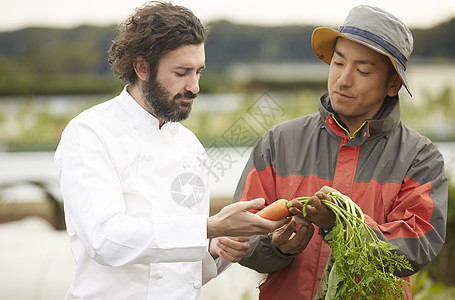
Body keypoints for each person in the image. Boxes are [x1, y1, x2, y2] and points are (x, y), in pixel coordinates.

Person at [54, 2, 287, 299]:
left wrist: (215, 248)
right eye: (181, 72)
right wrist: (209, 227)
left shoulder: (190, 147)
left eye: (199, 71)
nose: (195, 87)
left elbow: (183, 272)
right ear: (142, 68)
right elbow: (105, 240)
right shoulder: (89, 133)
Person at [234, 5, 448, 299]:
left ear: (393, 83)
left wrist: (342, 226)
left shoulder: (419, 157)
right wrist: (276, 246)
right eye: (338, 63)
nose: (343, 79)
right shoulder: (279, 142)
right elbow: (238, 236)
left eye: (362, 70)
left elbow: (418, 245)